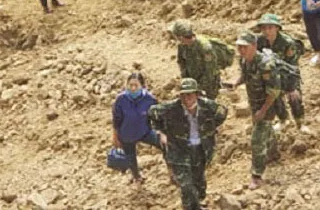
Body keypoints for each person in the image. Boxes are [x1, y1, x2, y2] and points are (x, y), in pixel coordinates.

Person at [148, 78, 228, 210]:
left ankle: (197, 201)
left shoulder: (207, 106)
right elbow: (152, 113)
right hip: (179, 151)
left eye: (189, 94)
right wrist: (161, 132)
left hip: (200, 150)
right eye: (183, 95)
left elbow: (222, 112)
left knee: (199, 184)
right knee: (186, 185)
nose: (186, 98)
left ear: (196, 94)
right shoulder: (171, 108)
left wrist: (209, 129)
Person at [228, 32, 281, 190]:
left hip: (269, 104)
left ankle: (256, 176)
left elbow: (273, 92)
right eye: (239, 47)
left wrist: (263, 111)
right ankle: (274, 153)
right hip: (255, 103)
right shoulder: (244, 60)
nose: (241, 50)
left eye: (244, 47)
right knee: (266, 129)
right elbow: (245, 75)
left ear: (254, 46)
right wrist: (235, 83)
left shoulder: (265, 65)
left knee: (257, 139)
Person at [255, 13, 306, 132]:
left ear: (277, 28)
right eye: (264, 28)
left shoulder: (287, 43)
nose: (267, 31)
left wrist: (292, 87)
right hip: (270, 75)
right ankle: (283, 119)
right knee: (273, 97)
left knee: (294, 98)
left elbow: (293, 66)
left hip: (287, 73)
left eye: (270, 27)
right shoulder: (259, 41)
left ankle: (300, 123)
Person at [112, 72, 160, 184]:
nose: (133, 88)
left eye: (136, 85)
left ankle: (172, 171)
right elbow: (116, 120)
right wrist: (115, 137)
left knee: (165, 144)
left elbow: (157, 117)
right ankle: (136, 177)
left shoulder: (150, 99)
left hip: (144, 131)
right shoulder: (121, 100)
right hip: (126, 134)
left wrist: (161, 133)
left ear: (142, 86)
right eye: (130, 85)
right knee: (130, 157)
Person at [172, 20, 234, 101]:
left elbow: (210, 71)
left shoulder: (205, 47)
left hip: (208, 86)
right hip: (192, 83)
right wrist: (186, 81)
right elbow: (181, 62)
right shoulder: (182, 46)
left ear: (180, 37)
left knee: (207, 107)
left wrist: (198, 87)